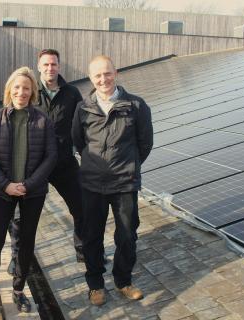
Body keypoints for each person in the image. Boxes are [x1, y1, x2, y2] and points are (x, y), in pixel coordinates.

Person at [0, 67, 57, 319]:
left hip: (33, 193)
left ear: (33, 91)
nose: (21, 92)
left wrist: (29, 184)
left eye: (26, 88)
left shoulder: (42, 119)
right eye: (17, 87)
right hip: (2, 192)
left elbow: (51, 156)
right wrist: (6, 185)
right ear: (9, 90)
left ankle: (19, 289)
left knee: (25, 243)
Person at [72, 55, 153, 306]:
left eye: (107, 73)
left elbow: (145, 143)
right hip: (92, 184)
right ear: (91, 78)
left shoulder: (136, 105)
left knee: (127, 235)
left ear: (115, 73)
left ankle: (123, 281)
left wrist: (127, 166)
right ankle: (95, 285)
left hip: (124, 183)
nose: (103, 79)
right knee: (91, 236)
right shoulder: (83, 107)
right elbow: (78, 141)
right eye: (97, 75)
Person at [6, 49, 89, 274]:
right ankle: (18, 259)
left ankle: (84, 252)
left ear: (59, 66)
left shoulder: (71, 93)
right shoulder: (30, 92)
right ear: (39, 66)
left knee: (82, 208)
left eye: (54, 64)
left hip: (64, 164)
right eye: (46, 64)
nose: (50, 68)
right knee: (21, 217)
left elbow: (81, 127)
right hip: (34, 166)